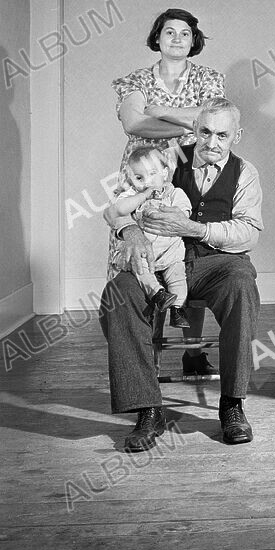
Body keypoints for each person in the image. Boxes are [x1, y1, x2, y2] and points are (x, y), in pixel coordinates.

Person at [101, 98, 263, 451]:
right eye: (204, 131)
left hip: (216, 261)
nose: (212, 142)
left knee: (241, 283)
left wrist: (192, 227)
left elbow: (248, 232)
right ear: (195, 129)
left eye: (222, 134)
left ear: (237, 135)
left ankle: (232, 405)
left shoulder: (245, 173)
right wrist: (129, 229)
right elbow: (115, 208)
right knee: (120, 293)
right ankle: (147, 409)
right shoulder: (169, 159)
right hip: (159, 259)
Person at [109, 8, 225, 374]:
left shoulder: (210, 78)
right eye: (169, 32)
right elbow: (133, 123)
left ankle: (193, 352)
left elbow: (211, 121)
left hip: (196, 171)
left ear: (195, 40)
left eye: (185, 33)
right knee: (143, 255)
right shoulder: (135, 80)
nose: (177, 38)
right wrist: (187, 118)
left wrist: (158, 112)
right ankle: (145, 360)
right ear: (157, 37)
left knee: (189, 255)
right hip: (144, 173)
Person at [106, 144, 191, 327]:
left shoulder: (175, 193)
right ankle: (158, 295)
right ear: (131, 179)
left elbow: (183, 215)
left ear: (165, 173)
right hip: (144, 253)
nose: (147, 181)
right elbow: (118, 210)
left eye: (153, 174)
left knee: (178, 278)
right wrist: (143, 195)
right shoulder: (131, 196)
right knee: (141, 271)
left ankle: (177, 310)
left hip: (170, 252)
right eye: (139, 177)